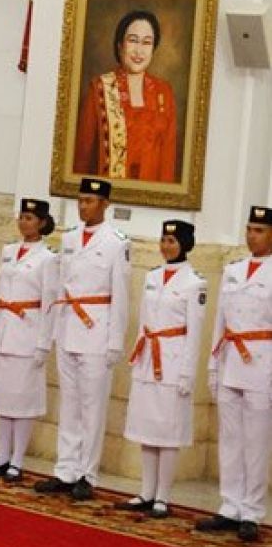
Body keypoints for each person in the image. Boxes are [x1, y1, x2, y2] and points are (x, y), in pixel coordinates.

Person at [34, 177, 130, 500]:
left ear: (104, 204)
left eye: (89, 201)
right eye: (80, 200)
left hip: (97, 331)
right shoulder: (70, 238)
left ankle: (87, 473)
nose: (83, 206)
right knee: (70, 404)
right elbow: (61, 285)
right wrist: (54, 331)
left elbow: (120, 295)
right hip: (69, 328)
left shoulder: (116, 242)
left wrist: (115, 341)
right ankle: (65, 469)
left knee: (92, 407)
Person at [115, 220, 204, 519]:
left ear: (185, 244)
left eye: (172, 241)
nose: (166, 246)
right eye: (163, 240)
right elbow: (144, 322)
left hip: (173, 362)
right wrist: (138, 356)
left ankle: (163, 496)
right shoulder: (152, 277)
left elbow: (194, 332)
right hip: (148, 359)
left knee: (168, 432)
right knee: (148, 429)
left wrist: (187, 373)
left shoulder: (195, 283)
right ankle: (146, 491)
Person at [196, 206, 272, 542]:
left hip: (261, 363)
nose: (251, 235)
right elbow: (220, 323)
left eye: (259, 230)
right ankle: (230, 505)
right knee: (230, 439)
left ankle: (252, 511)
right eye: (249, 228)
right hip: (230, 361)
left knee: (255, 441)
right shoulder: (233, 270)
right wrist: (213, 366)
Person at [0, 198, 58, 482]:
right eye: (22, 217)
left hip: (27, 333)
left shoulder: (48, 258)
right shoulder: (8, 251)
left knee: (23, 400)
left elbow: (49, 303)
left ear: (42, 223)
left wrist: (44, 342)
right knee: (3, 398)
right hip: (4, 329)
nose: (24, 222)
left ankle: (17, 459)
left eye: (30, 218)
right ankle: (0, 455)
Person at [74, 10, 178, 183]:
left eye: (147, 43)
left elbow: (168, 161)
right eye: (133, 40)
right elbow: (82, 160)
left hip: (151, 200)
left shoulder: (164, 92)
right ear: (120, 45)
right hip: (107, 197)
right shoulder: (99, 88)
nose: (139, 51)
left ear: (153, 49)